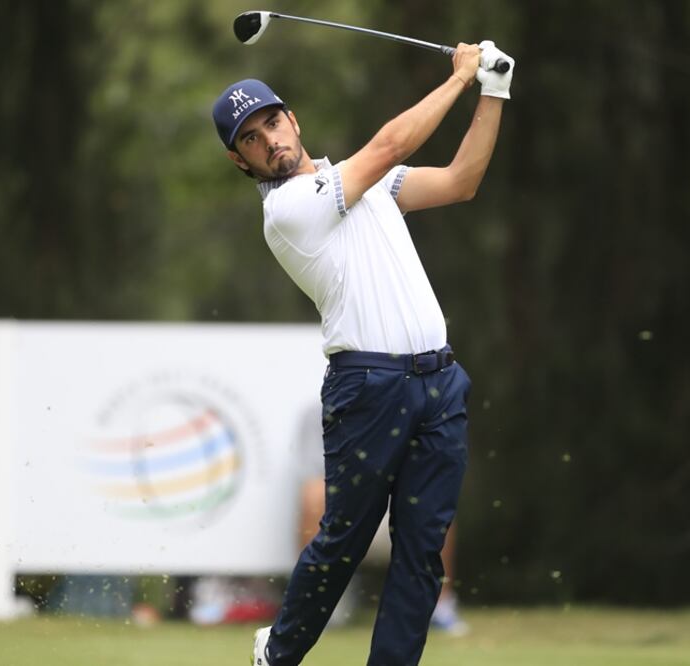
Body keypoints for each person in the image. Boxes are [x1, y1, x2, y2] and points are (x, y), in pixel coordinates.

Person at [211, 39, 513, 666]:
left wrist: (494, 90)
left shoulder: (361, 183)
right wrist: (459, 79)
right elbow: (390, 147)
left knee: (421, 553)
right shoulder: (290, 209)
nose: (268, 140)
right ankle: (278, 654)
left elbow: (460, 181)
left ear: (292, 119)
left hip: (440, 382)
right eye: (250, 140)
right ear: (243, 163)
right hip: (367, 387)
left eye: (271, 122)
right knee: (343, 541)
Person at [295, 405, 468, 636]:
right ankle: (318, 604)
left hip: (398, 510)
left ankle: (437, 604)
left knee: (435, 500)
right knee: (314, 494)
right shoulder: (322, 406)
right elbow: (319, 475)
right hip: (344, 512)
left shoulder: (422, 403)